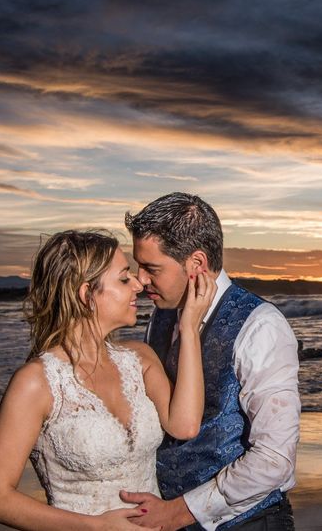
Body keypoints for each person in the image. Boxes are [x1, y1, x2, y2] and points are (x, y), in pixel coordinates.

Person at [0, 229, 216, 530]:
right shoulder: (37, 382)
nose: (139, 285)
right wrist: (96, 526)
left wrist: (190, 328)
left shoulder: (140, 359)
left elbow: (185, 425)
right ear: (87, 294)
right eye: (124, 278)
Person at [120, 193, 300, 531]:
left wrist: (178, 512)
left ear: (196, 264)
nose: (141, 280)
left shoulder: (260, 326)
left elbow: (274, 459)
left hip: (248, 524)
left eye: (151, 268)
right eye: (138, 266)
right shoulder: (158, 318)